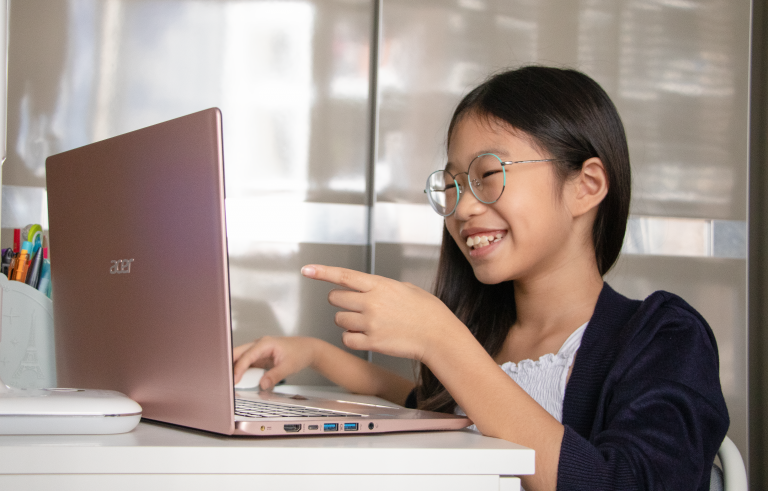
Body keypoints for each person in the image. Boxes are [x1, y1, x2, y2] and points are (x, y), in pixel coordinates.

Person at [233, 66, 729, 491]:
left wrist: (440, 338)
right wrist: (318, 354)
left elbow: (623, 480)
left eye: (488, 175)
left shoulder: (666, 338)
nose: (463, 208)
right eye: (452, 184)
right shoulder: (489, 335)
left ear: (587, 186)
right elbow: (429, 404)